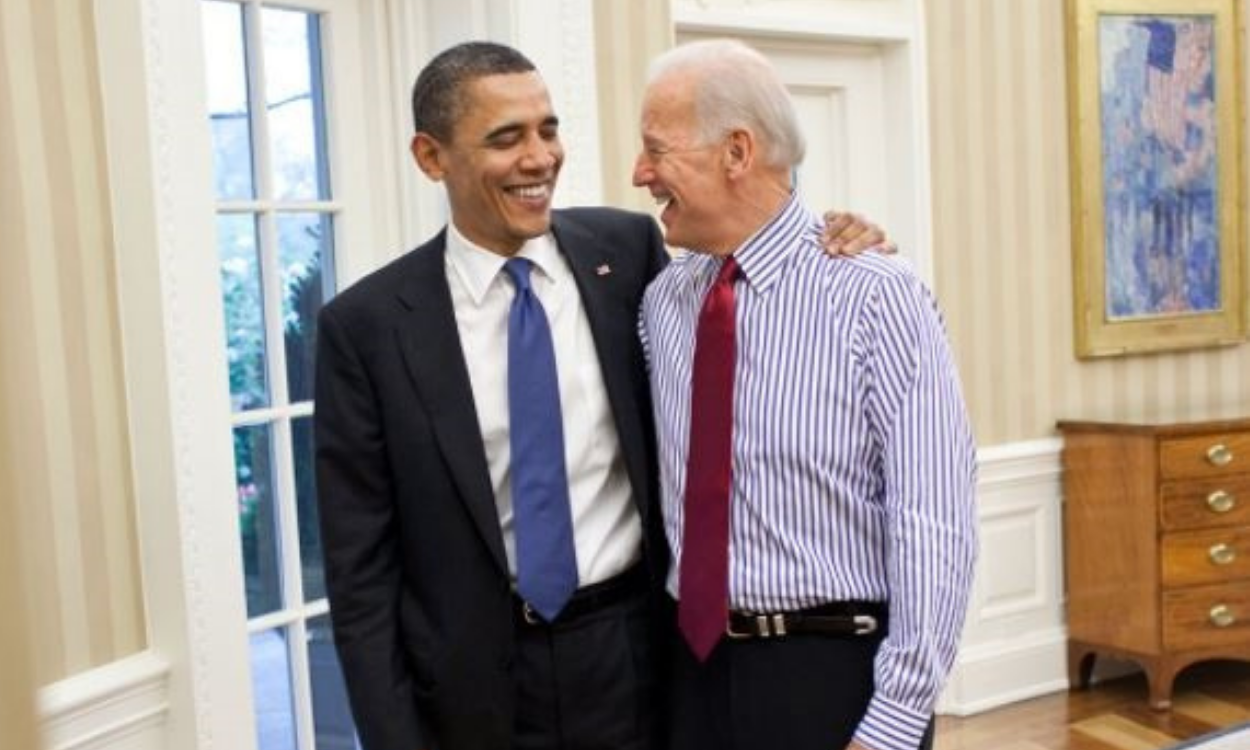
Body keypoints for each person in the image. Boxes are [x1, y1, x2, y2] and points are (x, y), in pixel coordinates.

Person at [314, 41, 889, 750]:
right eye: (506, 138)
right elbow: (361, 578)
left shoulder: (629, 256)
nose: (540, 158)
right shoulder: (365, 329)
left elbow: (751, 248)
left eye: (548, 130)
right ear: (432, 158)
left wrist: (834, 229)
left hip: (639, 659)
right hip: (474, 690)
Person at [634, 40, 978, 750]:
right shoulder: (662, 304)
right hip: (688, 677)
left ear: (736, 152)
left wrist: (893, 721)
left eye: (656, 150)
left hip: (831, 678)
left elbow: (934, 519)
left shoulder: (877, 295)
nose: (640, 173)